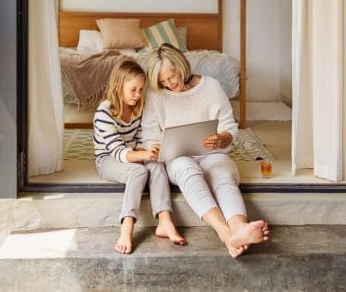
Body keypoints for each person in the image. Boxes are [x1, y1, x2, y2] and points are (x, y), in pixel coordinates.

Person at [142, 44, 270, 258]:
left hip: (212, 154)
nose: (169, 84)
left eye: (171, 76)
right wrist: (154, 146)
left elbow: (229, 126)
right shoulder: (156, 95)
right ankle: (225, 233)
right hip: (177, 157)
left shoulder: (210, 86)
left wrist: (221, 139)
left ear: (181, 65)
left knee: (222, 174)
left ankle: (239, 228)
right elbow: (149, 134)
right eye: (163, 81)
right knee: (187, 169)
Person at [93, 59, 186, 254]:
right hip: (108, 158)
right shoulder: (104, 112)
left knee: (157, 165)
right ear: (118, 86)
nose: (138, 95)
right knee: (138, 172)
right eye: (133, 89)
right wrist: (144, 154)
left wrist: (150, 151)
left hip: (133, 152)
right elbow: (118, 152)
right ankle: (127, 227)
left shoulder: (137, 107)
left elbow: (138, 138)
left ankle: (164, 220)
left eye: (141, 89)